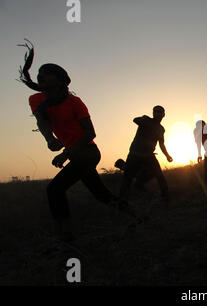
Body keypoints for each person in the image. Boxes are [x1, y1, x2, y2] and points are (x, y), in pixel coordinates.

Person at [18, 41, 135, 242]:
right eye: (39, 73)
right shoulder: (36, 99)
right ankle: (136, 215)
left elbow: (90, 133)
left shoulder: (74, 102)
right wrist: (49, 140)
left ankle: (65, 238)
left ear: (60, 80)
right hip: (75, 154)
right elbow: (42, 121)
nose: (40, 76)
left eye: (47, 73)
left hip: (87, 153)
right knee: (101, 195)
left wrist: (66, 153)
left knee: (54, 189)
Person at [118, 106, 173, 201]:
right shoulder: (146, 119)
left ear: (163, 114)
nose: (158, 114)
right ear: (153, 113)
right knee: (127, 177)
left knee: (158, 174)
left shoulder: (161, 129)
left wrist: (167, 155)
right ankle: (121, 200)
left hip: (149, 155)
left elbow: (162, 144)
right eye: (156, 111)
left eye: (160, 112)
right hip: (135, 153)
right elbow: (135, 120)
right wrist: (144, 121)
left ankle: (165, 196)